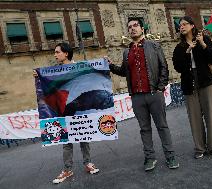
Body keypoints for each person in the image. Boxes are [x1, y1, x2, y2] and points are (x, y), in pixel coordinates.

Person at [106, 18, 179, 171]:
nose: (132, 29)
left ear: (142, 28)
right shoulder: (127, 52)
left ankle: (170, 156)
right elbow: (124, 72)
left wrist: (160, 88)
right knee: (144, 129)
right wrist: (111, 66)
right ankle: (150, 158)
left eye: (135, 26)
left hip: (154, 94)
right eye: (130, 27)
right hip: (137, 97)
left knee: (162, 126)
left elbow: (163, 67)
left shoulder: (154, 45)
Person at [34, 42, 99, 184]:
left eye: (57, 52)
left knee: (83, 137)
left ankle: (87, 163)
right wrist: (38, 76)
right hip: (63, 110)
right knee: (66, 141)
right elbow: (48, 88)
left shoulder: (78, 67)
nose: (55, 55)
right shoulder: (53, 72)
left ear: (66, 53)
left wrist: (104, 63)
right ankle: (68, 169)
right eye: (55, 52)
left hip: (78, 108)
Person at [172, 16, 212, 159]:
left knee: (210, 116)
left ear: (192, 25)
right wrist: (188, 52)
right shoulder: (179, 47)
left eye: (184, 24)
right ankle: (200, 148)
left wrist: (202, 44)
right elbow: (179, 67)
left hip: (206, 81)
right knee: (194, 118)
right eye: (179, 25)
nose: (181, 27)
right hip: (189, 84)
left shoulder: (204, 39)